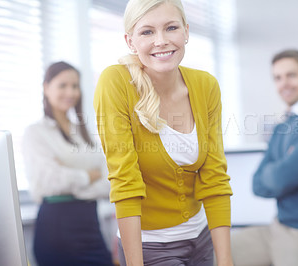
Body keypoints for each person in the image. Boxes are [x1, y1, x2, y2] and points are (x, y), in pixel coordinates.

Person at [93, 0, 234, 265]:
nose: (161, 41)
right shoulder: (116, 83)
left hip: (201, 239)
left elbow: (214, 176)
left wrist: (225, 260)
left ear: (186, 32)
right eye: (147, 32)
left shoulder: (206, 86)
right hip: (149, 247)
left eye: (171, 28)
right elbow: (125, 181)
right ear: (130, 41)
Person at [231, 50, 298, 266]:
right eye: (278, 78)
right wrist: (279, 170)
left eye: (291, 75)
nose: (284, 84)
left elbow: (281, 179)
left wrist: (276, 171)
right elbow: (257, 184)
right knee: (216, 253)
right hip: (278, 225)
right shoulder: (283, 126)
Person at [22, 61, 114, 266]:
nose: (70, 92)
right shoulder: (36, 132)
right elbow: (49, 182)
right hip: (57, 228)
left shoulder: (82, 132)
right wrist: (89, 175)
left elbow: (109, 178)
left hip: (90, 224)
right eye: (62, 85)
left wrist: (74, 182)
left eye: (75, 86)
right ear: (46, 87)